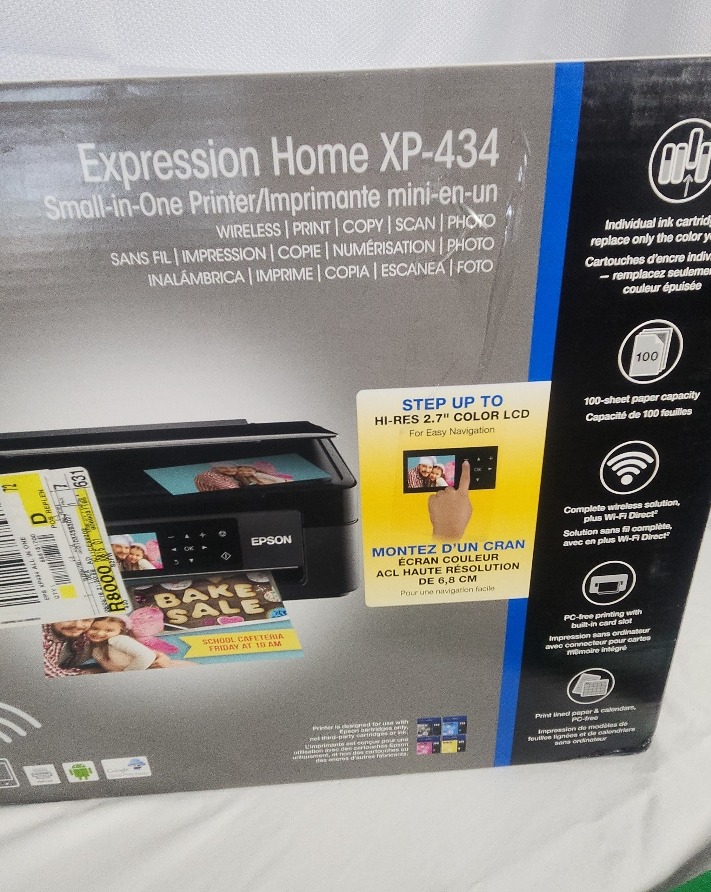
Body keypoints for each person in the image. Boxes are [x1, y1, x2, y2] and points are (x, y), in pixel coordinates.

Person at [86, 616, 169, 672]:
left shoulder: (117, 640)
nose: (100, 633)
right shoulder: (96, 649)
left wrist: (126, 675)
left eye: (109, 630)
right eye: (94, 628)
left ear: (120, 631)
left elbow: (147, 656)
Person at [428, 460, 472, 540]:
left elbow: (446, 487)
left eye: (437, 474)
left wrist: (448, 535)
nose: (433, 475)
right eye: (432, 473)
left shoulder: (439, 480)